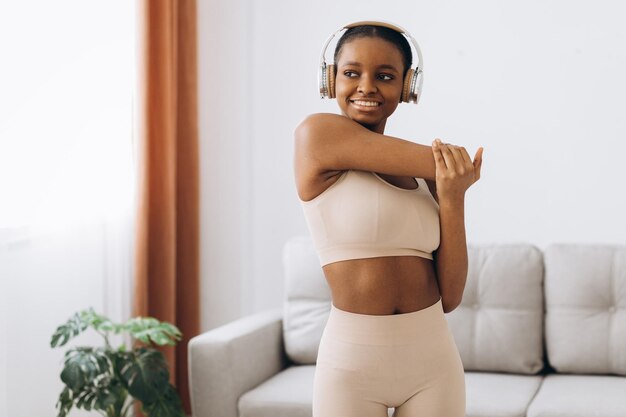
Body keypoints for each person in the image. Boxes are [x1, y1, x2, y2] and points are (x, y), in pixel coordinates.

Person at [293, 21, 483, 417]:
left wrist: (452, 197)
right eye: (351, 73)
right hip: (352, 364)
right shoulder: (317, 135)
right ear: (329, 79)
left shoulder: (425, 178)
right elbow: (451, 162)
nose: (367, 86)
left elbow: (451, 296)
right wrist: (449, 170)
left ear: (407, 86)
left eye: (385, 76)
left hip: (434, 358)